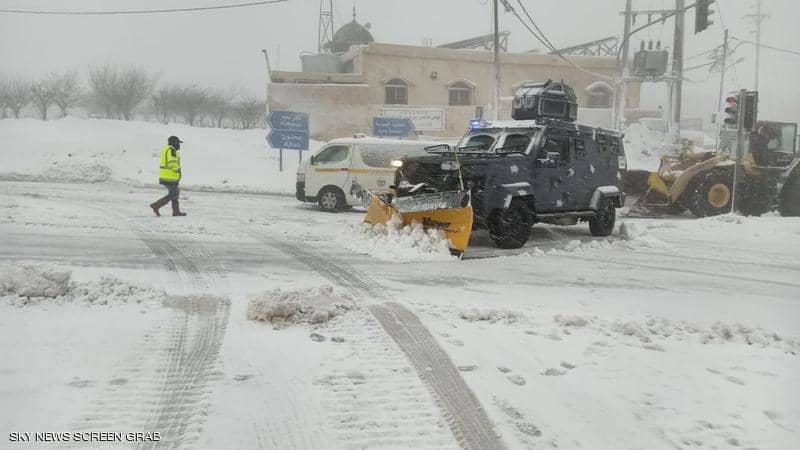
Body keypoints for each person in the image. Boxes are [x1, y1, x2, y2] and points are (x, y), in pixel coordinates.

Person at [150, 136, 187, 217]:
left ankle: (176, 211)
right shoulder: (171, 150)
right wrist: (178, 170)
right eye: (178, 143)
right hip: (170, 176)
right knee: (174, 193)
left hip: (167, 175)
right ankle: (156, 205)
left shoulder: (166, 149)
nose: (179, 145)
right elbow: (172, 162)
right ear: (174, 143)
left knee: (175, 192)